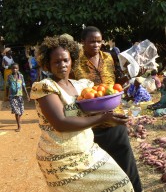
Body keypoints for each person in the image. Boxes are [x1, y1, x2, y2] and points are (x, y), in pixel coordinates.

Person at [30, 35, 134, 191]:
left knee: (121, 183)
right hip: (60, 159)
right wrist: (102, 118)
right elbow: (60, 123)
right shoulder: (45, 87)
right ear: (47, 65)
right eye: (56, 62)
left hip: (87, 151)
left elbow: (101, 101)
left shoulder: (81, 86)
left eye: (65, 60)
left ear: (72, 59)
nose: (62, 65)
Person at [74, 26, 142, 192]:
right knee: (99, 169)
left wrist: (131, 76)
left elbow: (116, 82)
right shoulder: (75, 62)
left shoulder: (108, 58)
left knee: (126, 161)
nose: (96, 45)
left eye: (99, 41)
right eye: (92, 41)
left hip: (114, 118)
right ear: (83, 42)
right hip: (91, 124)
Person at [6, 63, 30, 132]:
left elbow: (24, 86)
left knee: (21, 111)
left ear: (18, 69)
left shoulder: (21, 76)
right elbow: (7, 86)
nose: (14, 69)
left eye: (16, 68)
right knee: (17, 111)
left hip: (20, 96)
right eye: (13, 68)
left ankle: (18, 120)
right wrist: (6, 96)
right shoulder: (9, 77)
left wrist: (27, 95)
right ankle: (19, 126)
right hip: (12, 96)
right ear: (11, 69)